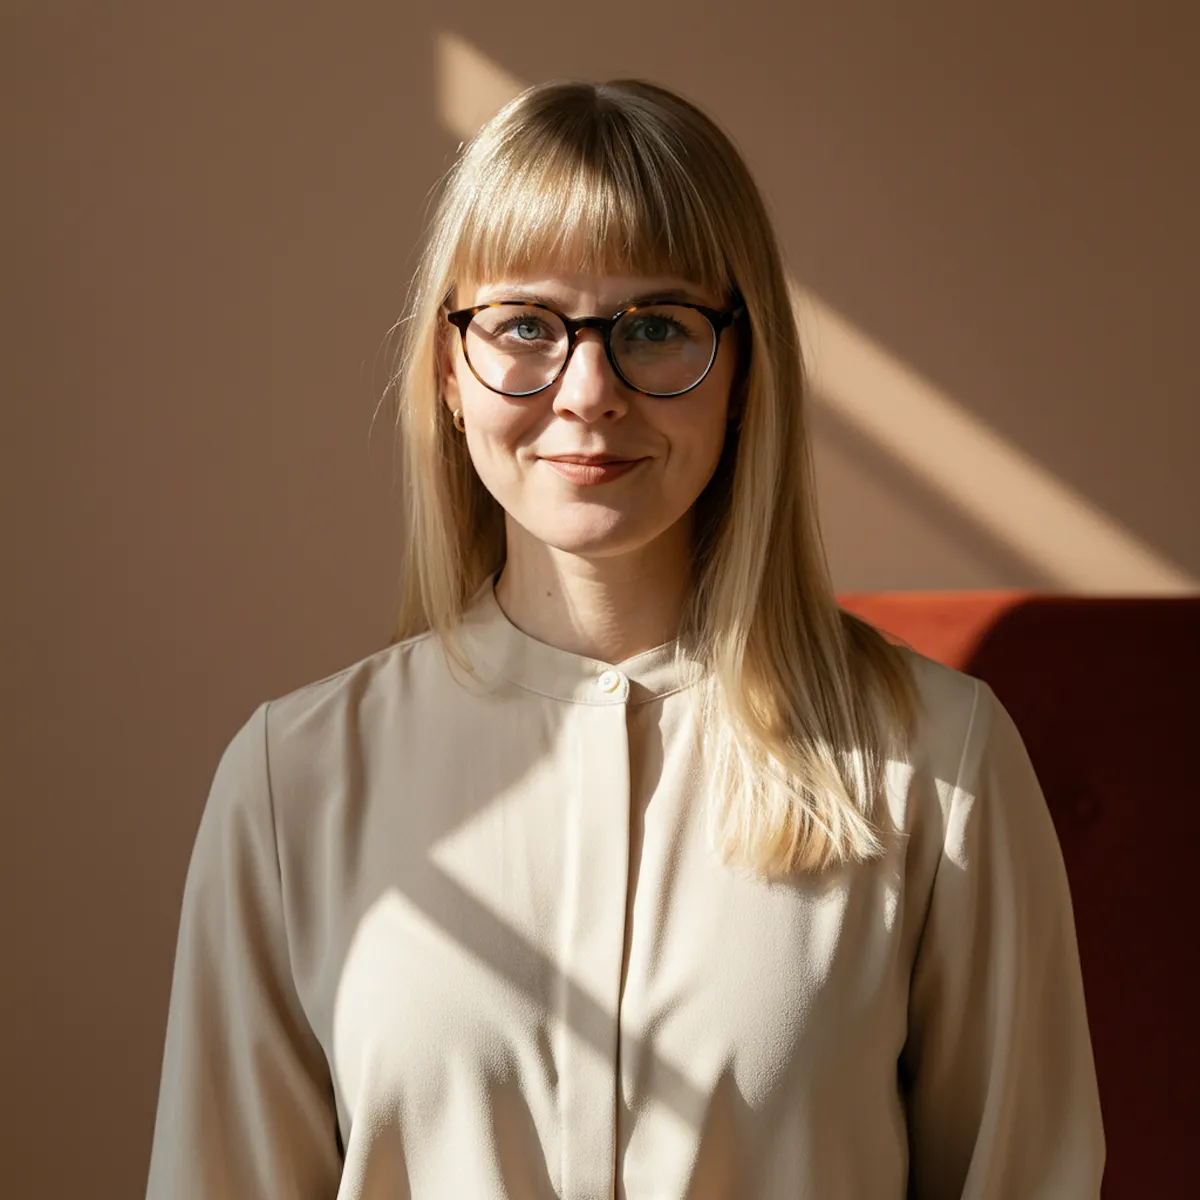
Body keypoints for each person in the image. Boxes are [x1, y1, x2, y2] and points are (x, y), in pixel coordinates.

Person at [146, 79, 1105, 1198]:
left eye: (656, 327)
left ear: (744, 372)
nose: (590, 391)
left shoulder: (944, 764)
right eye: (522, 327)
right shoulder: (288, 784)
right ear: (450, 375)